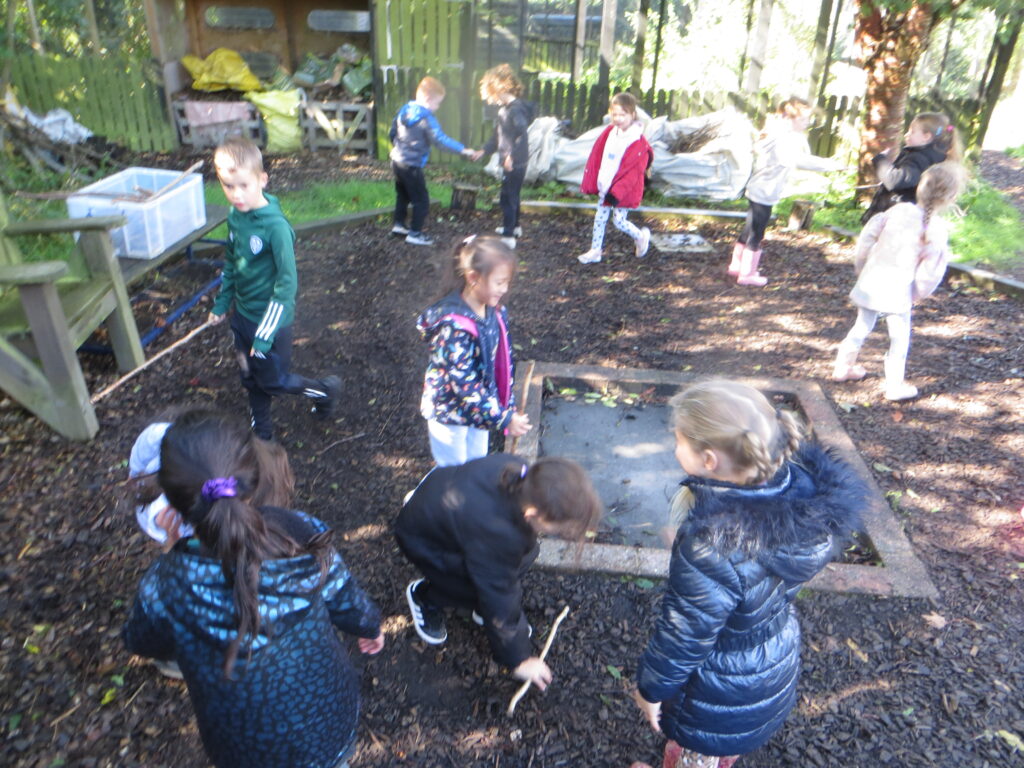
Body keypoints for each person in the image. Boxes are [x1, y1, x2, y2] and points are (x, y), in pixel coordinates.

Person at [122, 410, 384, 768]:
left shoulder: (165, 584)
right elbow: (344, 595)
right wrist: (369, 626)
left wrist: (170, 552)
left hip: (242, 747)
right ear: (252, 474)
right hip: (328, 722)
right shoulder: (301, 533)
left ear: (172, 501)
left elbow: (143, 641)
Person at [632, 380, 864, 768]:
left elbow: (685, 632)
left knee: (697, 756)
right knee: (724, 746)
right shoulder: (804, 498)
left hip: (717, 685)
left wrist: (651, 689)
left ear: (709, 460)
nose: (674, 449)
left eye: (678, 441)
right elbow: (753, 577)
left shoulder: (714, 544)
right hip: (770, 660)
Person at [396, 453, 602, 691]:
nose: (565, 533)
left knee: (525, 554)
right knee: (476, 588)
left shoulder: (522, 472)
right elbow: (498, 593)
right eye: (560, 530)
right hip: (423, 541)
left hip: (440, 505)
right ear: (533, 515)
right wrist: (519, 657)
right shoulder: (498, 534)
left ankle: (469, 603)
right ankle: (426, 596)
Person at [207, 136, 340, 442]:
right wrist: (221, 304)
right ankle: (262, 431)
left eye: (244, 185)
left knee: (274, 381)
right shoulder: (235, 217)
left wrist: (265, 334)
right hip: (241, 317)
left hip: (270, 321)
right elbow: (232, 263)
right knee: (249, 378)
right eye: (228, 186)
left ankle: (324, 389)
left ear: (262, 180)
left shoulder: (276, 227)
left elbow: (286, 284)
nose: (236, 194)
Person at [832, 161, 965, 401]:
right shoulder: (935, 230)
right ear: (950, 197)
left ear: (920, 188)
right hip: (898, 291)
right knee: (899, 338)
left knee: (862, 326)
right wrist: (918, 293)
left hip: (871, 281)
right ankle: (894, 385)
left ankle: (842, 367)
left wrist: (861, 268)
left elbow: (866, 240)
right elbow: (930, 273)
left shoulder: (897, 211)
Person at [417, 235, 531, 466]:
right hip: (449, 412)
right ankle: (426, 499)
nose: (505, 289)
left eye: (507, 282)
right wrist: (503, 417)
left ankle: (466, 500)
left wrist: (504, 405)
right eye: (499, 282)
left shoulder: (494, 312)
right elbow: (463, 382)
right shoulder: (454, 327)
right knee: (452, 473)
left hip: (480, 408)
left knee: (476, 465)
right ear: (473, 278)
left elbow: (503, 360)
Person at [729, 97, 840, 286]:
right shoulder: (783, 138)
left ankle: (736, 266)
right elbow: (798, 160)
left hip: (760, 189)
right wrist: (829, 165)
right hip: (765, 191)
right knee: (757, 233)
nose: (808, 123)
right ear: (790, 118)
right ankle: (747, 274)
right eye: (804, 120)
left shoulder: (778, 132)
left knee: (749, 228)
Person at [390, 76, 479, 246]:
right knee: (421, 200)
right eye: (437, 103)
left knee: (403, 195)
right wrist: (463, 149)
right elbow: (440, 140)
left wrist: (397, 147)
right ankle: (415, 233)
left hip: (397, 161)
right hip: (412, 165)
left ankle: (399, 225)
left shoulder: (405, 110)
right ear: (428, 99)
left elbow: (393, 131)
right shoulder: (426, 118)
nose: (437, 107)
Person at [577, 92, 653, 265]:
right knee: (600, 218)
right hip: (606, 185)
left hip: (622, 191)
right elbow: (599, 156)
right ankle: (595, 250)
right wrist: (594, 181)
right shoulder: (610, 132)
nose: (618, 118)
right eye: (615, 114)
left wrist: (616, 193)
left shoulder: (637, 142)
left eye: (622, 115)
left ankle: (641, 237)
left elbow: (632, 174)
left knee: (619, 221)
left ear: (632, 115)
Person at [861, 112, 961, 224]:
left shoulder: (919, 159)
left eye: (912, 132)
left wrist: (881, 160)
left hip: (895, 220)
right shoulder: (931, 156)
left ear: (926, 137)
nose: (906, 135)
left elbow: (894, 180)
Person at [476, 63, 535, 249]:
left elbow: (521, 134)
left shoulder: (515, 109)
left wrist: (511, 157)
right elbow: (497, 138)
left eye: (491, 94)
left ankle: (509, 236)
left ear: (499, 88)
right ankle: (515, 227)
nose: (491, 100)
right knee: (512, 195)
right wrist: (484, 151)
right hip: (512, 160)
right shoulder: (505, 110)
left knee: (508, 197)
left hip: (515, 162)